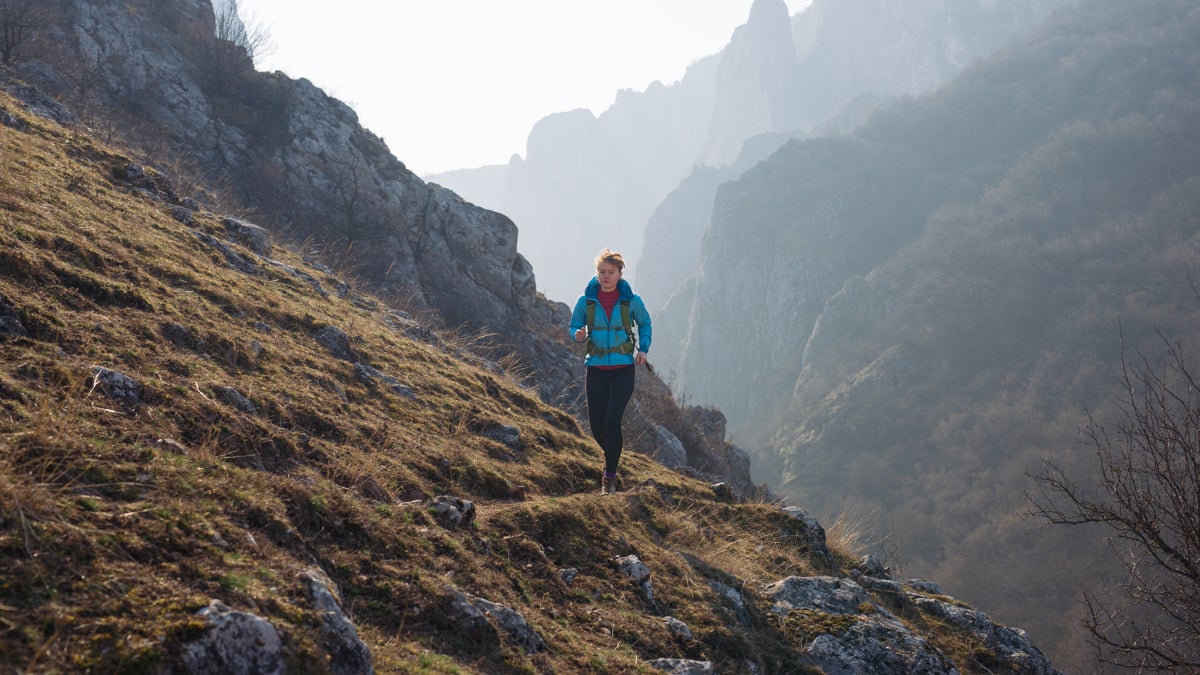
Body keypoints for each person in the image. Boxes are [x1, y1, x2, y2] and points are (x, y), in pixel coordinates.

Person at [568, 248, 652, 495]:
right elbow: (574, 325)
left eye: (610, 272)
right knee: (597, 426)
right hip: (595, 367)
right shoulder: (586, 302)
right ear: (597, 273)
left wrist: (643, 349)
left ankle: (609, 478)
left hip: (623, 368)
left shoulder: (631, 301)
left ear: (619, 274)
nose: (605, 276)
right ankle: (614, 458)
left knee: (612, 421)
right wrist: (577, 335)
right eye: (602, 272)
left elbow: (645, 323)